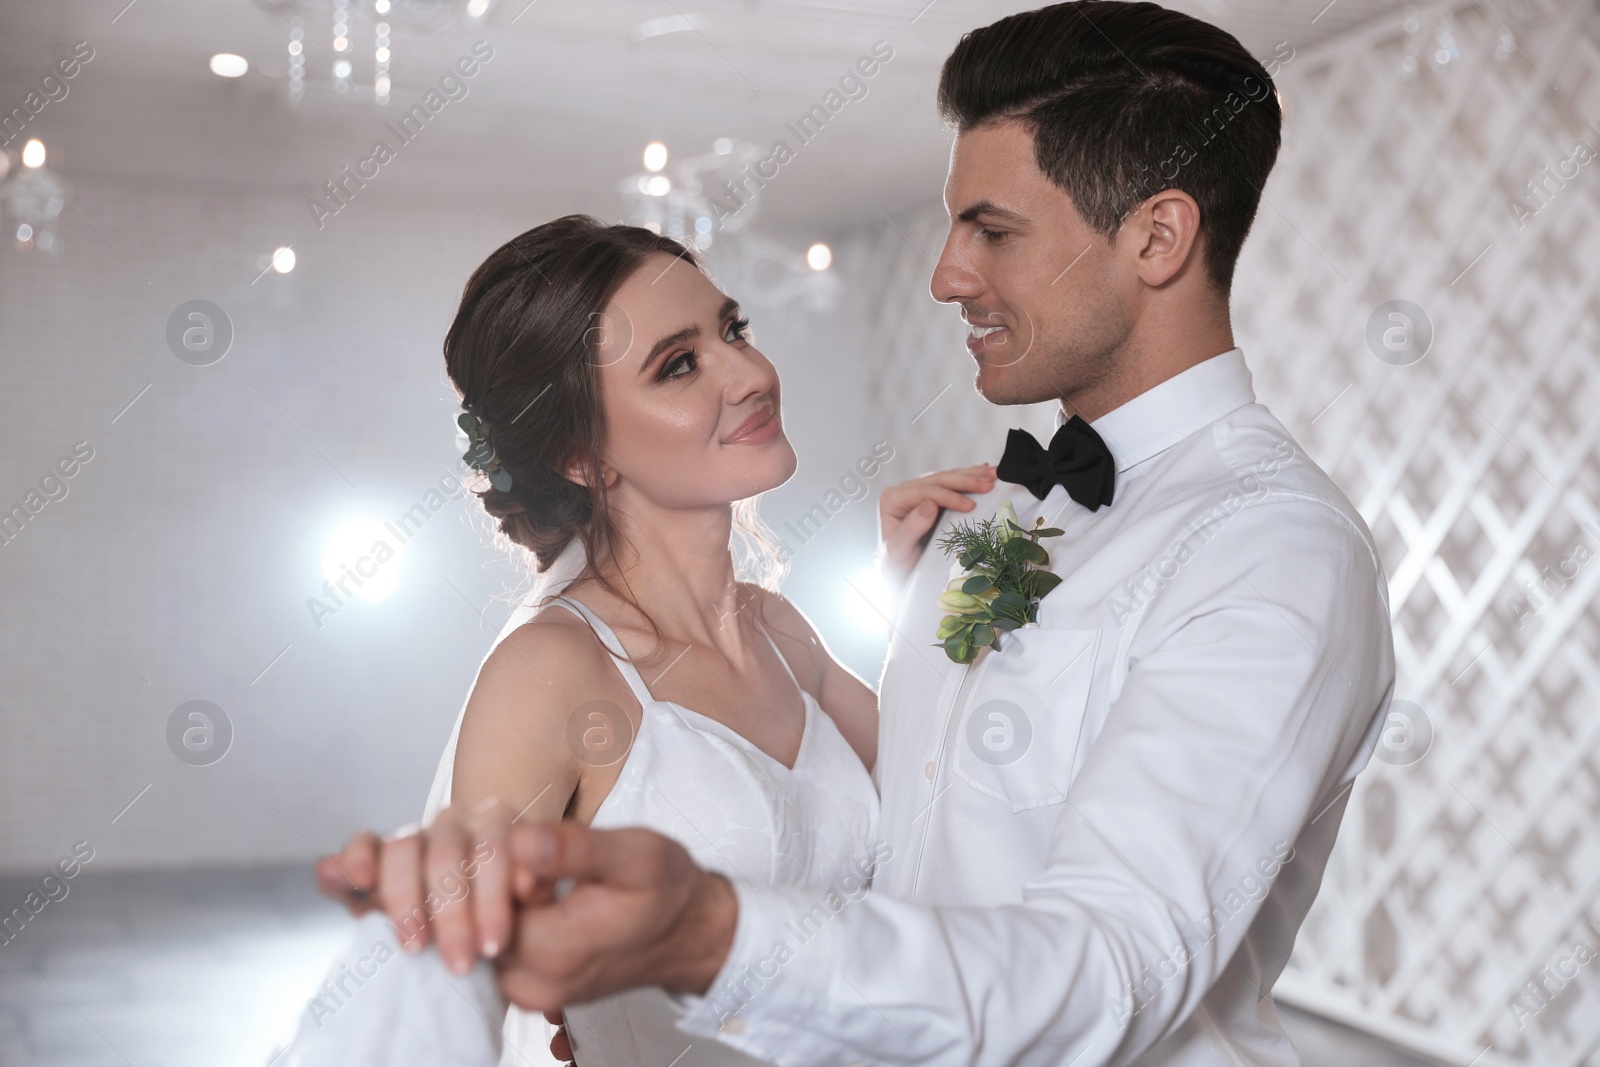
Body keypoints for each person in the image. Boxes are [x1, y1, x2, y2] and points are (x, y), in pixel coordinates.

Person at [324, 2, 1398, 1064]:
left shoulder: (1273, 550)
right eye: (677, 360)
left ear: (1157, 237)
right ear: (580, 453)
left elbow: (1110, 967)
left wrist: (703, 940)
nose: (944, 275)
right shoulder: (1002, 521)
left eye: (992, 228)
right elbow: (932, 817)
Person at [313, 212, 996, 1065]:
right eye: (679, 365)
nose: (749, 373)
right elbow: (454, 968)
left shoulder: (781, 631)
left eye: (734, 329)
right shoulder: (553, 671)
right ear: (582, 455)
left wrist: (929, 602)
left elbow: (961, 804)